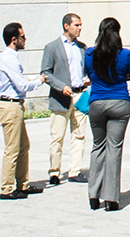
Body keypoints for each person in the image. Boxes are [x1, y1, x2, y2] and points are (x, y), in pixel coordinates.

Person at [84, 17, 130, 212]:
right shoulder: (125, 54)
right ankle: (111, 199)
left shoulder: (89, 54)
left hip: (96, 103)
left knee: (98, 145)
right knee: (114, 148)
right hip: (119, 102)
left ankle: (93, 195)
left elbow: (88, 74)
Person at [0, 21, 48, 201]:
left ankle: (22, 184)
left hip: (15, 104)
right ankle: (7, 188)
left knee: (23, 145)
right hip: (10, 106)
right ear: (13, 39)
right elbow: (21, 85)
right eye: (23, 36)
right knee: (12, 148)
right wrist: (40, 81)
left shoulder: (10, 58)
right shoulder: (9, 58)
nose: (25, 39)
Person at [40, 12, 90, 185]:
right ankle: (54, 172)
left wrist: (87, 78)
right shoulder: (52, 47)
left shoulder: (83, 48)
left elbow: (87, 70)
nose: (80, 28)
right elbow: (45, 73)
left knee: (79, 135)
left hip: (79, 95)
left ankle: (75, 171)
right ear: (66, 26)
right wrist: (61, 87)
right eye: (77, 25)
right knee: (57, 137)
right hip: (61, 97)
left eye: (81, 25)